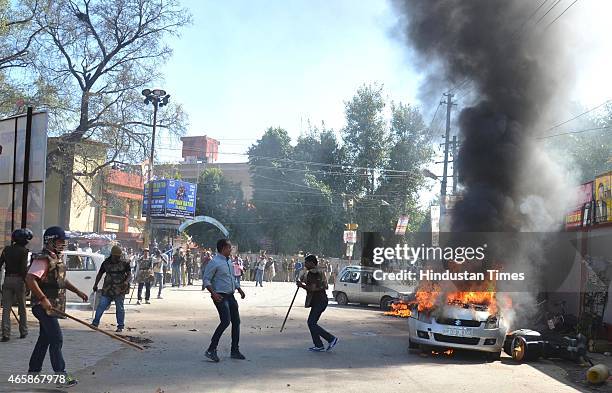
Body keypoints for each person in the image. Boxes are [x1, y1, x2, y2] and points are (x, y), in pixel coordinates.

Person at [25, 226, 88, 387]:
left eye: (64, 242)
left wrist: (78, 291)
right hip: (43, 306)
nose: (63, 244)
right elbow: (30, 279)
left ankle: (33, 371)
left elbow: (61, 281)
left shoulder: (56, 258)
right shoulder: (42, 259)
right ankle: (61, 376)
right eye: (60, 241)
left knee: (44, 339)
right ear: (50, 241)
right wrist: (43, 299)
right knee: (56, 338)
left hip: (52, 306)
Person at [203, 239, 246, 362]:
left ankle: (235, 350)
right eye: (229, 248)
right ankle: (211, 349)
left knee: (236, 322)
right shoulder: (214, 262)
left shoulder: (229, 262)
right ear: (223, 249)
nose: (231, 250)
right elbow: (206, 280)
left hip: (231, 296)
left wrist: (239, 289)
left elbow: (232, 278)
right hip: (220, 296)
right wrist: (214, 294)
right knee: (226, 321)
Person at [296, 254, 338, 352]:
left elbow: (312, 288)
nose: (305, 264)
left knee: (311, 323)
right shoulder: (319, 271)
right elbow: (323, 286)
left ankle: (331, 339)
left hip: (319, 301)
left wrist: (301, 285)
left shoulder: (313, 273)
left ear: (311, 263)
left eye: (306, 262)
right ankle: (318, 345)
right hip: (320, 300)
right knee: (312, 323)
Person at [1, 228, 33, 341]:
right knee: (22, 307)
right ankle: (23, 331)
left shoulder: (6, 250)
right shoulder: (24, 251)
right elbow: (23, 269)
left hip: (8, 279)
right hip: (19, 280)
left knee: (6, 309)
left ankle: (5, 333)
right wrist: (28, 284)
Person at [91, 246, 131, 332]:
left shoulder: (125, 263)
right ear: (112, 255)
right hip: (108, 288)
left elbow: (129, 274)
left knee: (119, 307)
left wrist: (126, 282)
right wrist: (95, 284)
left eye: (119, 256)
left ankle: (120, 326)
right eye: (116, 256)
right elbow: (100, 274)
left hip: (120, 289)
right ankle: (95, 323)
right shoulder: (106, 263)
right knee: (101, 305)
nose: (118, 258)